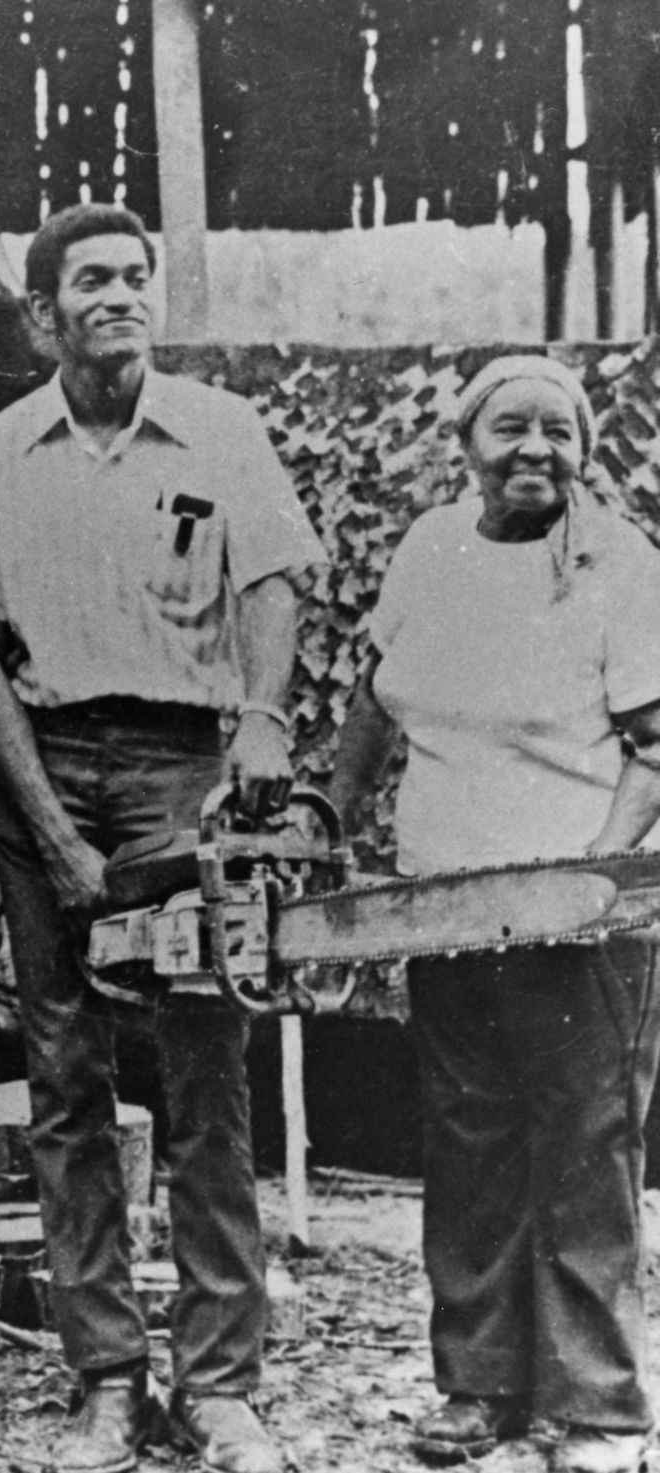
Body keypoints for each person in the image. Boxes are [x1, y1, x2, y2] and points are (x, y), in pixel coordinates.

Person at [0, 202, 327, 1473]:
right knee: (64, 1076)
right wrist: (49, 833)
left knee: (204, 1069)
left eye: (134, 276)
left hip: (182, 769)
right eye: (89, 280)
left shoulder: (220, 431)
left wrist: (261, 724)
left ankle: (220, 1389)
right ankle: (104, 1379)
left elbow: (271, 582)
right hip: (42, 762)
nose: (118, 296)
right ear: (41, 313)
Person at [329, 354, 660, 1473]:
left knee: (584, 1146)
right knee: (467, 1138)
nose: (534, 449)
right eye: (510, 426)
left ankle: (598, 1407)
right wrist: (330, 819)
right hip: (446, 904)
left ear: (585, 450)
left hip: (578, 917)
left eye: (558, 431)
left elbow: (655, 748)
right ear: (465, 443)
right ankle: (479, 1387)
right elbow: (377, 700)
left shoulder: (621, 564)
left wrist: (590, 878)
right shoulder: (432, 548)